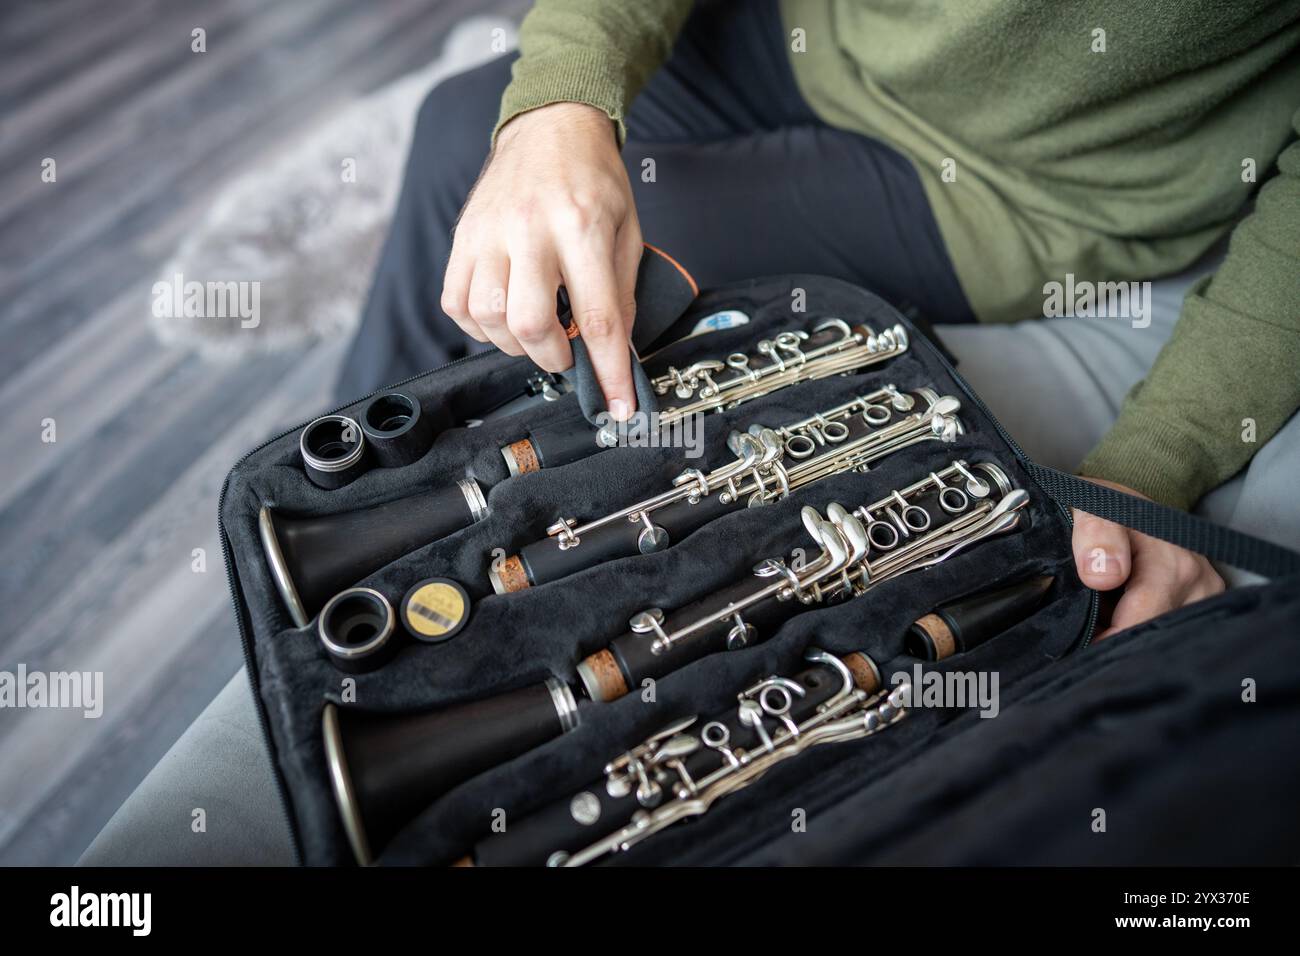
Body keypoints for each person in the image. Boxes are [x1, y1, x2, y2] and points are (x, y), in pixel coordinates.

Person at [82, 0, 1299, 865]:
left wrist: (1154, 466)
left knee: (600, 256)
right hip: (808, 33)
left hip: (1025, 187)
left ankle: (375, 617)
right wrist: (555, 103)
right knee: (467, 130)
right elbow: (536, 110)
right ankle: (336, 559)